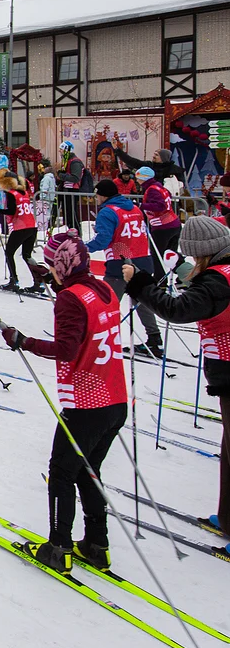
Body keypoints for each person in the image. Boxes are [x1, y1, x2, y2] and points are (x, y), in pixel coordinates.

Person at [0, 231, 127, 573]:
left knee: (62, 472)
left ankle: (59, 547)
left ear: (61, 264)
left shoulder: (70, 298)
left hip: (87, 402)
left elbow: (68, 348)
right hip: (115, 398)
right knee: (89, 471)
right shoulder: (101, 288)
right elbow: (81, 312)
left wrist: (23, 341)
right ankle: (97, 544)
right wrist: (56, 283)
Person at [122, 216, 230, 552]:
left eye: (195, 257)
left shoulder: (216, 282)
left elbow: (178, 308)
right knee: (228, 450)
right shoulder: (220, 274)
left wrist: (141, 284)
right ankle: (227, 517)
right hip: (226, 373)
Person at [85, 179, 162, 358]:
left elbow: (103, 240)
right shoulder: (134, 207)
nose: (96, 198)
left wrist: (83, 247)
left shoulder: (107, 212)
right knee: (141, 300)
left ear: (103, 195)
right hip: (143, 258)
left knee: (107, 301)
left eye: (97, 195)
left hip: (121, 263)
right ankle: (154, 338)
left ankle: (100, 340)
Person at [0, 170, 42, 293]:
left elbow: (11, 211)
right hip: (32, 226)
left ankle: (14, 281)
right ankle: (38, 281)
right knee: (27, 255)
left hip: (21, 227)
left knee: (9, 253)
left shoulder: (11, 194)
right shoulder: (23, 192)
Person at [134, 165, 182, 279]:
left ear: (144, 178)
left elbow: (160, 205)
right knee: (171, 254)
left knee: (157, 255)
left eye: (138, 178)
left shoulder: (151, 189)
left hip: (163, 226)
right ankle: (183, 275)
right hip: (173, 224)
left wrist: (141, 205)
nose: (137, 180)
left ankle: (160, 279)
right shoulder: (159, 186)